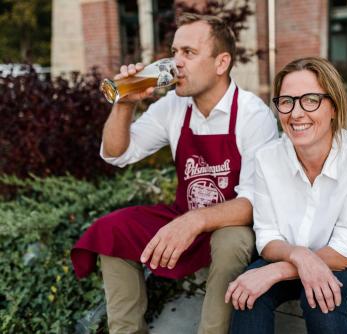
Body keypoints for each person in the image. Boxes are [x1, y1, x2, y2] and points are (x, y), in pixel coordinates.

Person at [70, 13, 278, 334]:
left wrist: (194, 221)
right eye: (175, 51)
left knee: (232, 241)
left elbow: (255, 203)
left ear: (222, 63)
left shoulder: (253, 114)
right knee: (112, 230)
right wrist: (125, 104)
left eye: (189, 53)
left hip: (230, 223)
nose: (176, 62)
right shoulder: (173, 106)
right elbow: (117, 153)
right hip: (185, 215)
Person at [225, 57, 347, 334]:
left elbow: (346, 250)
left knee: (320, 298)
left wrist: (275, 271)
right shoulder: (266, 158)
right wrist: (299, 256)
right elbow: (267, 237)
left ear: (334, 107)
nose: (296, 113)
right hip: (290, 254)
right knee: (248, 293)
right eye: (287, 101)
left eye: (310, 100)